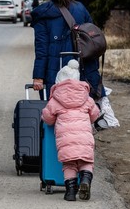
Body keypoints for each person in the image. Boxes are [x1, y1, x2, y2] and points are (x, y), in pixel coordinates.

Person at [30, 0, 105, 100]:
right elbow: (92, 39)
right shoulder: (80, 8)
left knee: (56, 107)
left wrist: (38, 76)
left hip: (54, 71)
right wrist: (93, 69)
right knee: (83, 106)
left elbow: (41, 49)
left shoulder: (43, 14)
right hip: (82, 67)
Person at [41, 60, 100, 201]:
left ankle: (70, 192)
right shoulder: (86, 97)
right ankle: (85, 180)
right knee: (86, 161)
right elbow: (95, 114)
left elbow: (48, 118)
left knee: (69, 164)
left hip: (66, 140)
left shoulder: (56, 99)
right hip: (84, 137)